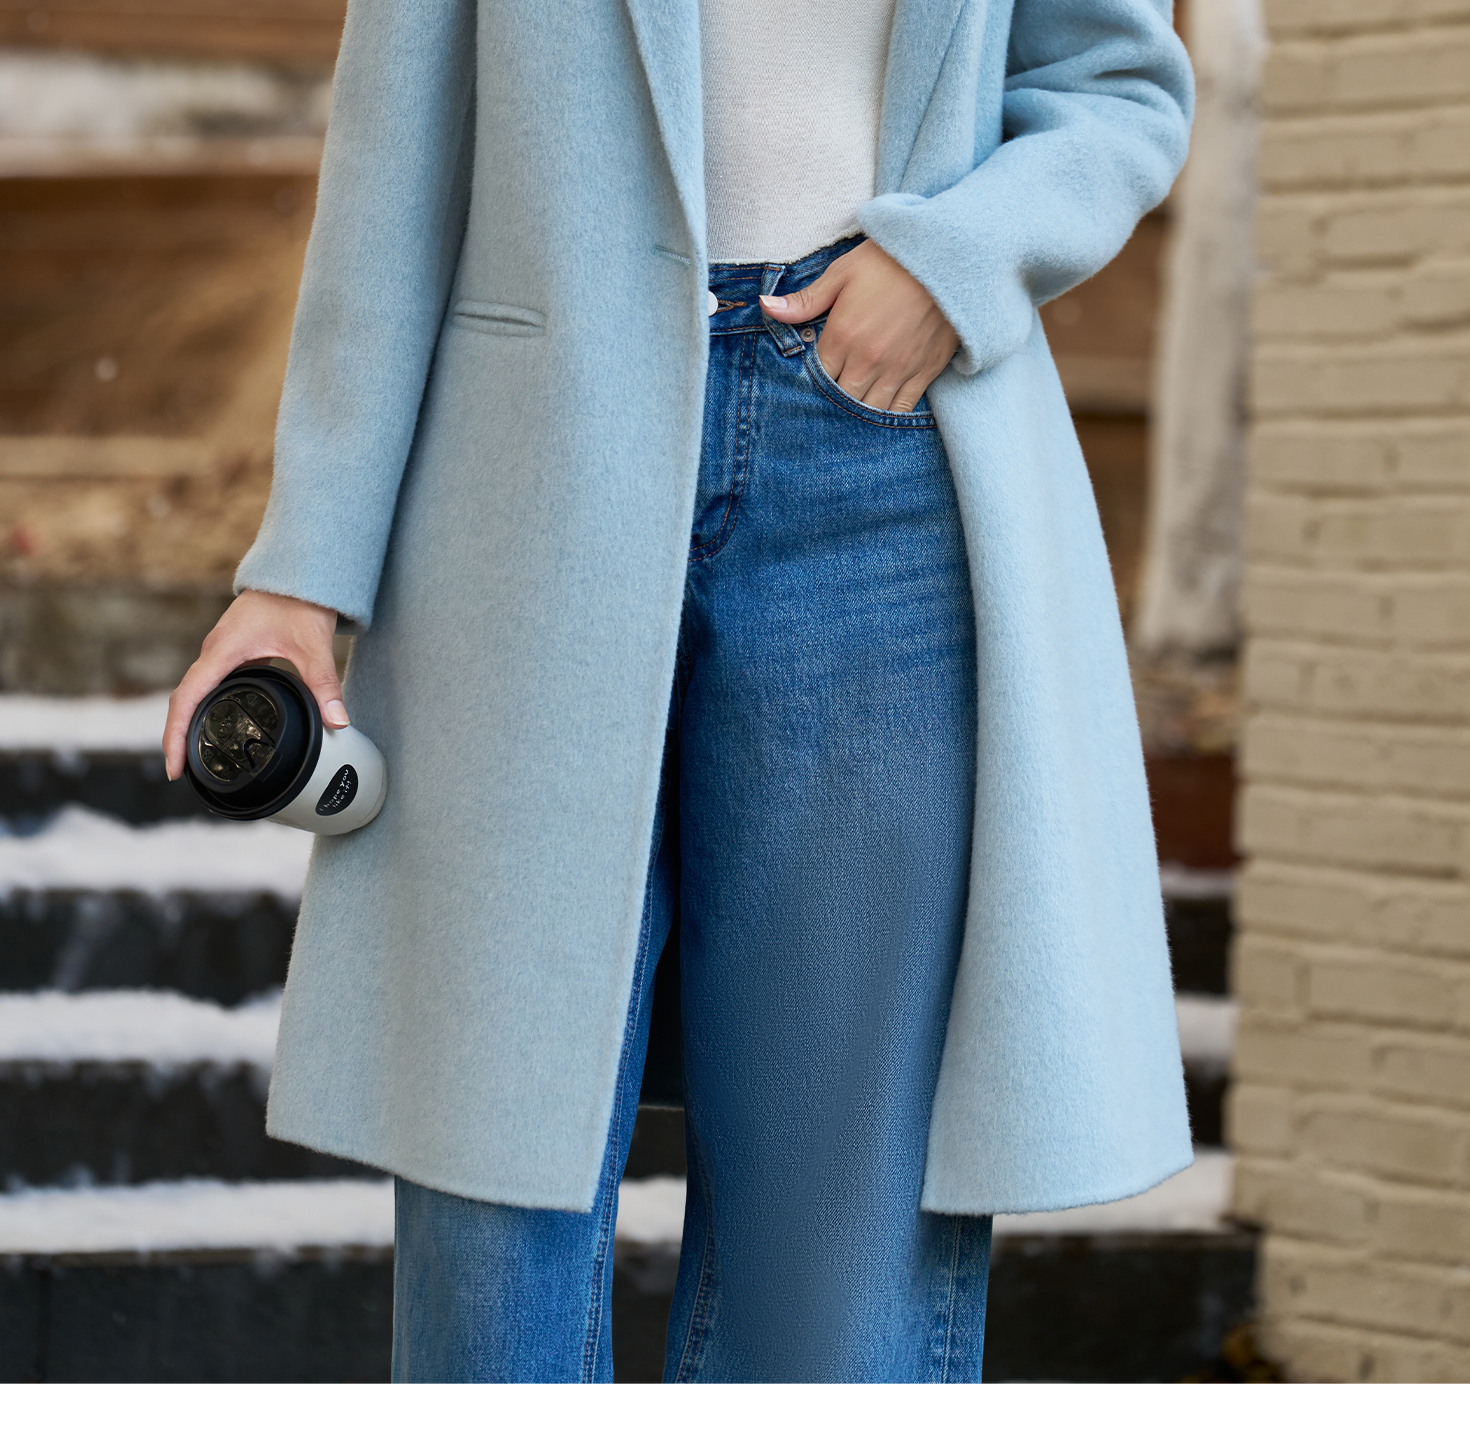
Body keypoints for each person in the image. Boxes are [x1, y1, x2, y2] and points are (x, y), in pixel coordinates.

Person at [163, 0, 1195, 1383]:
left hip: (883, 464)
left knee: (843, 1217)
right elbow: (396, 161)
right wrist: (304, 570)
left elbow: (1116, 88)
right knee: (492, 1175)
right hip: (531, 473)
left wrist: (954, 261)